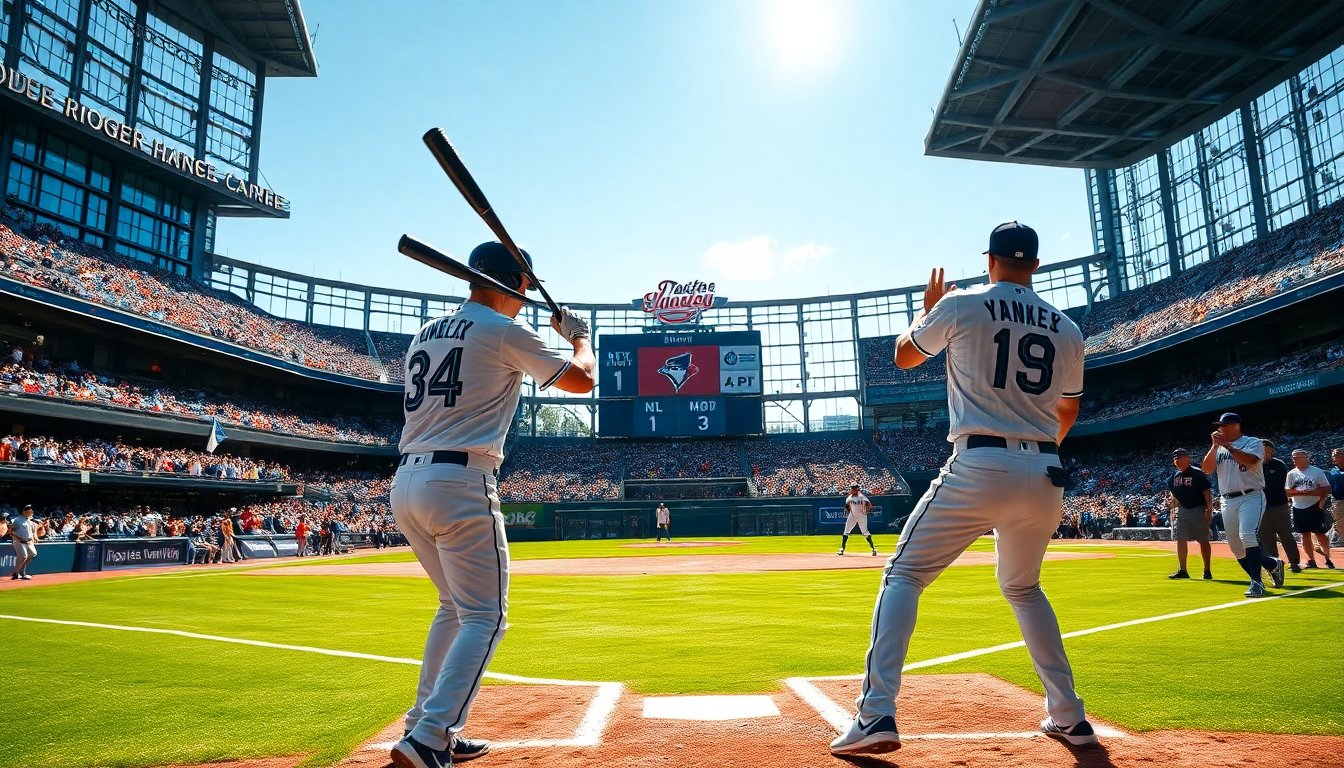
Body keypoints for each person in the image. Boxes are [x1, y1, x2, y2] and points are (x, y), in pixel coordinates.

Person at [831, 222, 1097, 756]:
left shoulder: (961, 303)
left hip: (979, 462)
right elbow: (1068, 407)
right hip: (1046, 471)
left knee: (904, 574)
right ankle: (1068, 715)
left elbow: (906, 357)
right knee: (1024, 589)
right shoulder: (1068, 328)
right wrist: (1037, 448)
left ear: (989, 259)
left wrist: (924, 313)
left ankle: (877, 712)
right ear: (1036, 266)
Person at [390, 242, 596, 768]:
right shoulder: (502, 330)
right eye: (526, 286)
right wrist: (578, 337)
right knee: (487, 616)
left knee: (454, 608)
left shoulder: (427, 331)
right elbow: (583, 380)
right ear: (519, 284)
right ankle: (430, 735)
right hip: (461, 481)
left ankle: (422, 722)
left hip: (407, 480)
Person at [1200, 413, 1283, 597]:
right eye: (1219, 425)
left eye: (1225, 425)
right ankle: (1271, 564)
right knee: (1236, 549)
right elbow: (1206, 469)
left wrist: (1228, 446)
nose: (1221, 428)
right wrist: (1215, 446)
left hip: (1251, 495)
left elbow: (1250, 461)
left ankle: (1256, 583)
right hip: (1228, 499)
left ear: (1236, 425)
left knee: (1247, 535)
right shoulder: (1219, 448)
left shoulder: (1253, 442)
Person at [1166, 448, 1213, 580]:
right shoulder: (1174, 477)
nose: (1178, 460)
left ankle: (1207, 570)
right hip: (1183, 510)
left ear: (1188, 458)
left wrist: (1208, 510)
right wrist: (1174, 502)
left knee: (1203, 540)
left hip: (1198, 508)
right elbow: (1173, 493)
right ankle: (1183, 569)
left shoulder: (1197, 473)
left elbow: (1207, 493)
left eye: (1181, 457)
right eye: (1176, 458)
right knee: (1180, 540)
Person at [1285, 449, 1334, 570]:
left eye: (1298, 457)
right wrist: (1300, 493)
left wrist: (1317, 497)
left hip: (1314, 505)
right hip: (1298, 507)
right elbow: (1287, 491)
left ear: (1306, 458)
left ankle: (1327, 558)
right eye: (1294, 458)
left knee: (1320, 533)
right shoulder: (1291, 473)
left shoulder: (1317, 471)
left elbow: (1327, 489)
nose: (1295, 460)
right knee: (1304, 534)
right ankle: (1311, 560)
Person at [1257, 441, 1300, 573]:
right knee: (1266, 537)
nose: (1265, 454)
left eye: (1268, 452)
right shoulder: (1254, 465)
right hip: (1261, 507)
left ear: (1272, 452)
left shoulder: (1279, 465)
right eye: (1262, 451)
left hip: (1279, 506)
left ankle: (1294, 562)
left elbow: (1278, 485)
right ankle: (1274, 564)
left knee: (1286, 535)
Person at [837, 483, 877, 556]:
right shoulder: (849, 498)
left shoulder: (862, 497)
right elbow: (847, 506)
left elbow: (869, 504)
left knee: (865, 532)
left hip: (861, 516)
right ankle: (842, 548)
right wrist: (849, 512)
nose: (851, 490)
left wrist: (866, 511)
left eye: (853, 488)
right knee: (846, 531)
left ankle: (873, 548)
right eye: (852, 488)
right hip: (852, 516)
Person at [8, 504, 38, 580]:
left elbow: (31, 532)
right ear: (25, 512)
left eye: (31, 510)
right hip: (19, 541)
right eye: (29, 511)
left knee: (33, 554)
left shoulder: (30, 520)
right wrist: (19, 537)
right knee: (23, 556)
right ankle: (16, 573)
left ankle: (21, 570)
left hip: (29, 542)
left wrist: (33, 539)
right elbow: (10, 531)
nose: (31, 512)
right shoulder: (17, 520)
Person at [1328, 448, 1344, 548]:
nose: (1334, 457)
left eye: (1337, 455)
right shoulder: (1333, 471)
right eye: (1333, 455)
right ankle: (1339, 540)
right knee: (1339, 522)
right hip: (1337, 501)